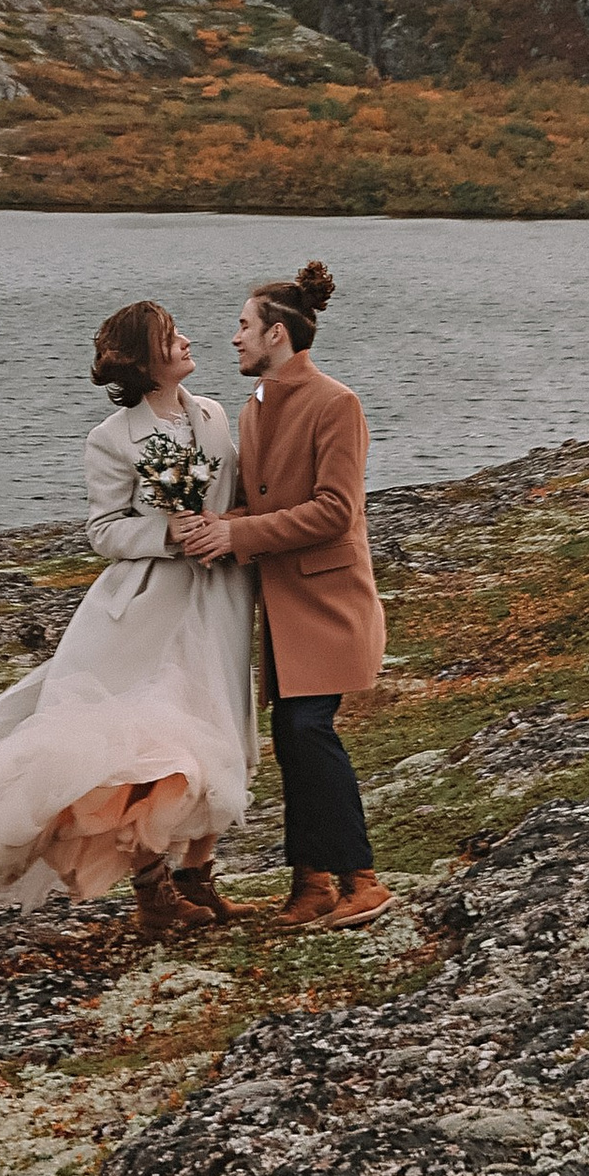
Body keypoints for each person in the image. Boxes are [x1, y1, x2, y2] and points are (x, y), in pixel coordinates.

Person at [0, 297, 256, 940]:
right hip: (144, 607)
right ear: (146, 358)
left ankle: (200, 878)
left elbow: (234, 499)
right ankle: (152, 892)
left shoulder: (213, 414)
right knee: (150, 749)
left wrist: (228, 527)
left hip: (218, 599)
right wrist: (169, 532)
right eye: (171, 335)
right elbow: (104, 532)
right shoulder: (110, 439)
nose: (188, 339)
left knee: (220, 729)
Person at [172, 258, 390, 932]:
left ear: (276, 335)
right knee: (293, 739)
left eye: (243, 326)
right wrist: (212, 525)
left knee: (307, 730)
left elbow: (333, 511)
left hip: (330, 604)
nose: (233, 337)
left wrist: (235, 536)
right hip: (285, 610)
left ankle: (363, 879)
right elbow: (256, 502)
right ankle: (311, 885)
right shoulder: (256, 406)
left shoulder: (337, 402)